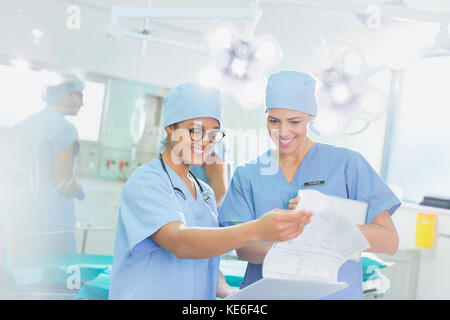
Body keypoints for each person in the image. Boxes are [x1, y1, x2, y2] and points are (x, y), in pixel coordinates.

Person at [108, 82, 312, 300]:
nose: (205, 142)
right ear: (170, 127)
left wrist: (225, 290)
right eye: (196, 131)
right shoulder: (147, 181)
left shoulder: (204, 192)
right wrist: (257, 229)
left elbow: (203, 258)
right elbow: (180, 242)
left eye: (213, 134)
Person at [218, 71, 401, 300]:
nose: (283, 132)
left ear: (311, 118)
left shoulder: (348, 165)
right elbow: (243, 248)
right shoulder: (248, 174)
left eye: (294, 122)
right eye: (274, 120)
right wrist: (289, 251)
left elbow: (389, 241)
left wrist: (326, 224)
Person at [13, 74, 86, 254]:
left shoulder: (24, 125)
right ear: (63, 93)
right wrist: (81, 192)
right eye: (79, 95)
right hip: (53, 226)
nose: (82, 103)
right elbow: (64, 182)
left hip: (23, 219)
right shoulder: (64, 129)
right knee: (58, 278)